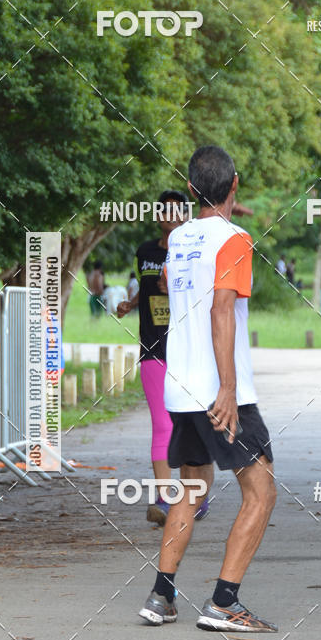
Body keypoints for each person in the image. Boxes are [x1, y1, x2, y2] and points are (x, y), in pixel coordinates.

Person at [139, 145, 277, 633]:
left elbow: (173, 287)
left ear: (192, 188)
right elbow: (222, 309)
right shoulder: (236, 239)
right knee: (261, 493)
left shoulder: (178, 241)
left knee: (191, 488)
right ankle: (223, 602)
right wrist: (229, 388)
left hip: (180, 389)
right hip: (221, 392)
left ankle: (162, 596)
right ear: (235, 186)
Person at [117, 191, 209, 525]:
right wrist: (131, 303)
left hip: (188, 350)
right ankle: (164, 498)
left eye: (177, 211)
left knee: (192, 424)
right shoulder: (145, 252)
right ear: (157, 215)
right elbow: (147, 285)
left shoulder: (195, 250)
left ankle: (197, 494)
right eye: (165, 211)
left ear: (187, 215)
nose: (171, 216)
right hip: (154, 350)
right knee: (162, 424)